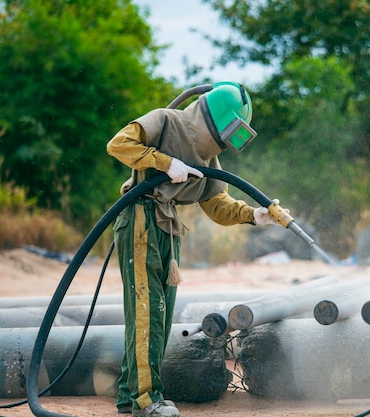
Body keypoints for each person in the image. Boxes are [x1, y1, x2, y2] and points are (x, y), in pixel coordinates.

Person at [106, 82, 280, 417]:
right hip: (140, 219)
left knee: (160, 313)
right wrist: (163, 163)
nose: (222, 147)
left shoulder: (209, 158)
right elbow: (119, 144)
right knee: (147, 313)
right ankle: (145, 398)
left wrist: (253, 215)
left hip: (167, 229)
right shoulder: (166, 121)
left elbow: (217, 204)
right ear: (210, 119)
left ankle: (130, 394)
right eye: (223, 135)